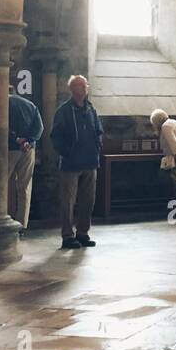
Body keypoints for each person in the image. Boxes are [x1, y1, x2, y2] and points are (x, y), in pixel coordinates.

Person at [50, 74, 103, 249]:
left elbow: (98, 130)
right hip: (71, 163)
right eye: (80, 86)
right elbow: (55, 136)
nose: (84, 88)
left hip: (89, 161)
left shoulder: (91, 109)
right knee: (68, 201)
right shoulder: (64, 111)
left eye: (85, 85)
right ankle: (67, 235)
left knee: (88, 200)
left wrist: (97, 147)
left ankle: (82, 233)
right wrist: (67, 151)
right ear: (72, 89)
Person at [8, 85, 44, 234]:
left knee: (2, 186)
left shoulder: (3, 104)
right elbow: (39, 127)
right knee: (24, 187)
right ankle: (22, 225)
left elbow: (2, 125)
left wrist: (16, 139)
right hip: (28, 150)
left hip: (9, 149)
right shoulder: (30, 105)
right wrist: (29, 141)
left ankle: (2, 220)